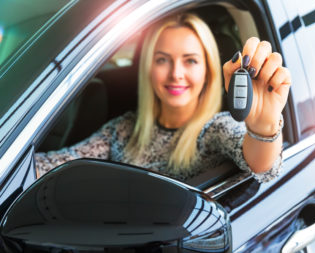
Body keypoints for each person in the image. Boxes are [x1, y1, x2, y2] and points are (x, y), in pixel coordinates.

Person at [35, 13, 291, 183]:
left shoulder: (216, 129)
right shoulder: (125, 128)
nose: (175, 73)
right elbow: (59, 163)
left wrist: (263, 126)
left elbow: (262, 166)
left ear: (208, 72)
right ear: (148, 68)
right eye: (162, 60)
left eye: (190, 60)